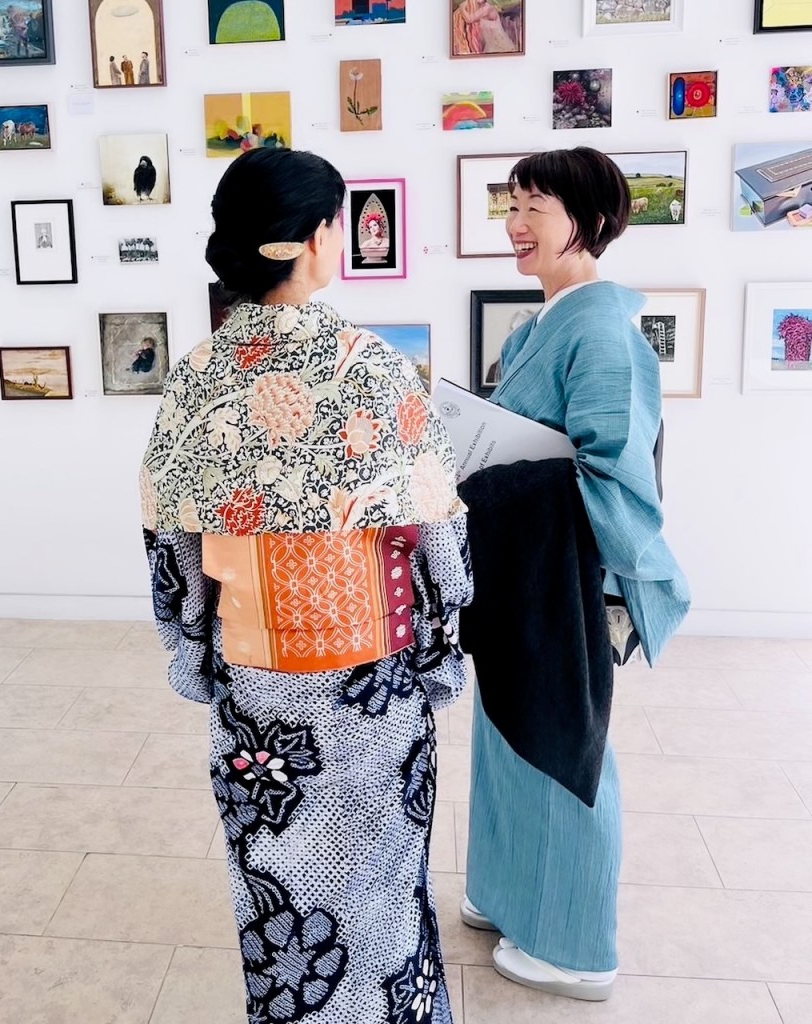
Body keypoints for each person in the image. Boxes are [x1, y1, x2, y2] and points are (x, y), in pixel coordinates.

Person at [140, 147, 474, 1024]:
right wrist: (440, 651)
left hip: (257, 690)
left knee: (277, 884)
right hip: (371, 685)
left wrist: (195, 648)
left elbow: (170, 538)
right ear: (319, 237)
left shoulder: (196, 377)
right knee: (383, 878)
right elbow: (436, 534)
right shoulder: (372, 367)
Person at [459, 147, 690, 1001]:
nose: (516, 224)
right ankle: (509, 893)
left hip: (562, 573)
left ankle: (576, 946)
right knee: (505, 737)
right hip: (519, 566)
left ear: (588, 220)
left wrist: (492, 478)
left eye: (536, 207)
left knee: (562, 748)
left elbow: (614, 477)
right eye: (512, 204)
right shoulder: (538, 327)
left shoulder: (602, 333)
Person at [452, 0, 517, 55]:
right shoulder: (480, 8)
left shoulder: (487, 9)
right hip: (491, 46)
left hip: (499, 46)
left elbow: (469, 19)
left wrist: (462, 7)